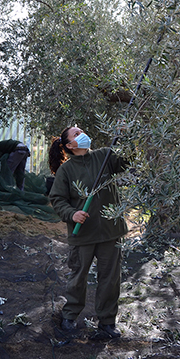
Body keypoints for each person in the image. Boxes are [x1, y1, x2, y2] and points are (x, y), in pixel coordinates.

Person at [47, 126, 128, 339]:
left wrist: (126, 133)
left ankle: (107, 323)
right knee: (78, 276)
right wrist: (72, 214)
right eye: (76, 134)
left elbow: (126, 160)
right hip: (82, 234)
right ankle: (70, 316)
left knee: (110, 279)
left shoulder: (104, 156)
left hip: (111, 231)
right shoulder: (66, 170)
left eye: (82, 130)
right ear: (69, 146)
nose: (82, 134)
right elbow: (57, 200)